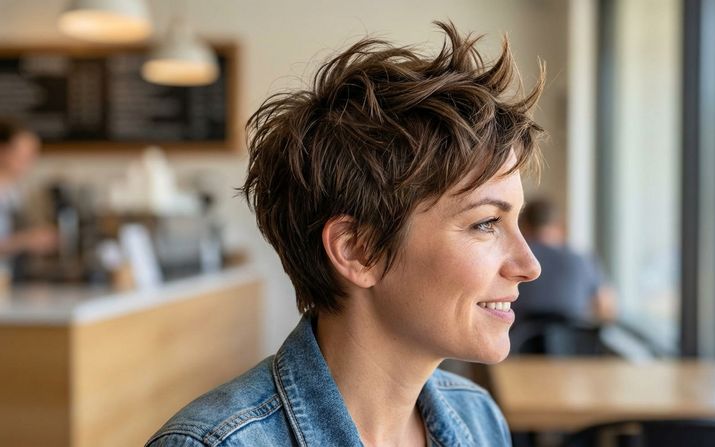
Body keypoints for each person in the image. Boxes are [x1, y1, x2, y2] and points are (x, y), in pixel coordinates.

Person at [147, 21, 544, 447]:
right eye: (485, 223)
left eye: (515, 222)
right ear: (358, 250)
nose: (530, 266)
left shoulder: (478, 418)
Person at [515, 198, 615, 325]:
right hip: (573, 342)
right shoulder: (582, 260)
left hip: (519, 342)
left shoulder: (513, 261)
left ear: (523, 226)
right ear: (560, 226)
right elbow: (607, 309)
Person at [0, 119, 58, 261]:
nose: (31, 160)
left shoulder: (15, 191)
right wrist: (27, 240)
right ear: (3, 150)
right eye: (25, 153)